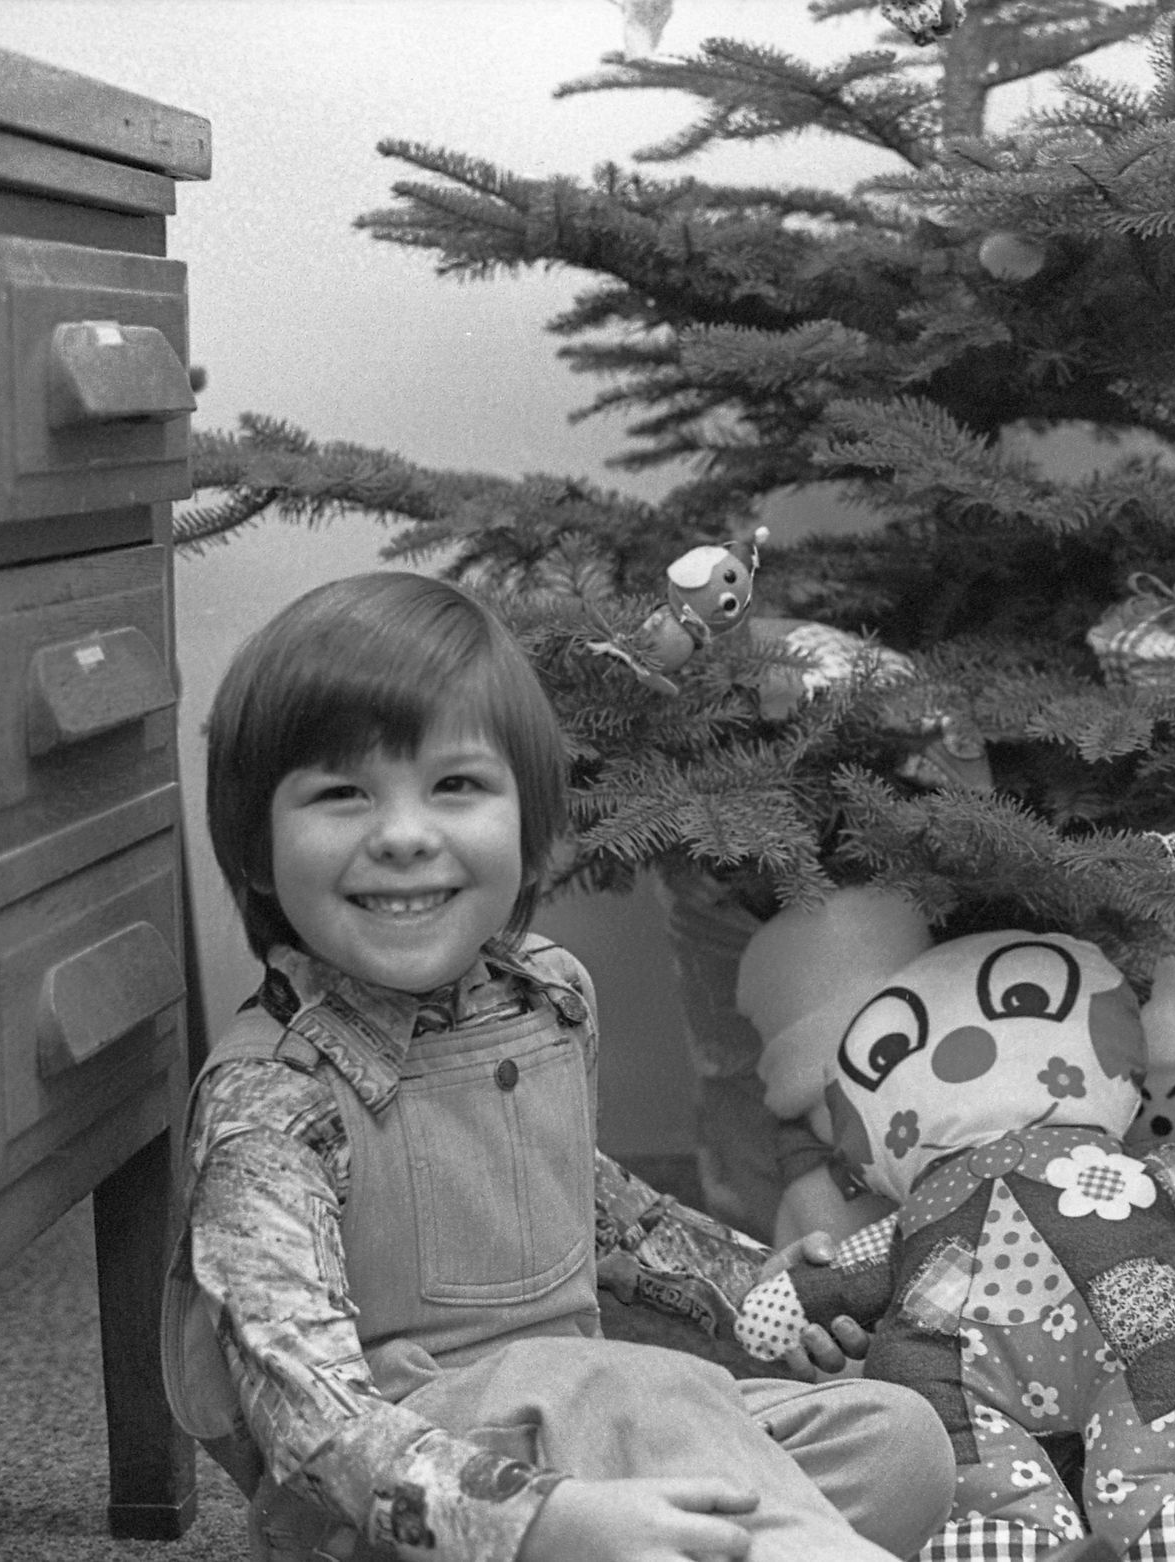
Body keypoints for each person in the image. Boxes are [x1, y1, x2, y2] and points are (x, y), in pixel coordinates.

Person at [160, 572, 955, 1562]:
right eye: (341, 794)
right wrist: (537, 1521)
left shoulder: (547, 992)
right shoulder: (269, 1098)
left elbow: (585, 1200)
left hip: (592, 1429)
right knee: (621, 1383)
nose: (403, 834)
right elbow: (308, 1421)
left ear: (532, 830)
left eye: (455, 785)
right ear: (256, 850)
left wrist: (757, 1286)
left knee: (897, 1439)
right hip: (397, 1512)